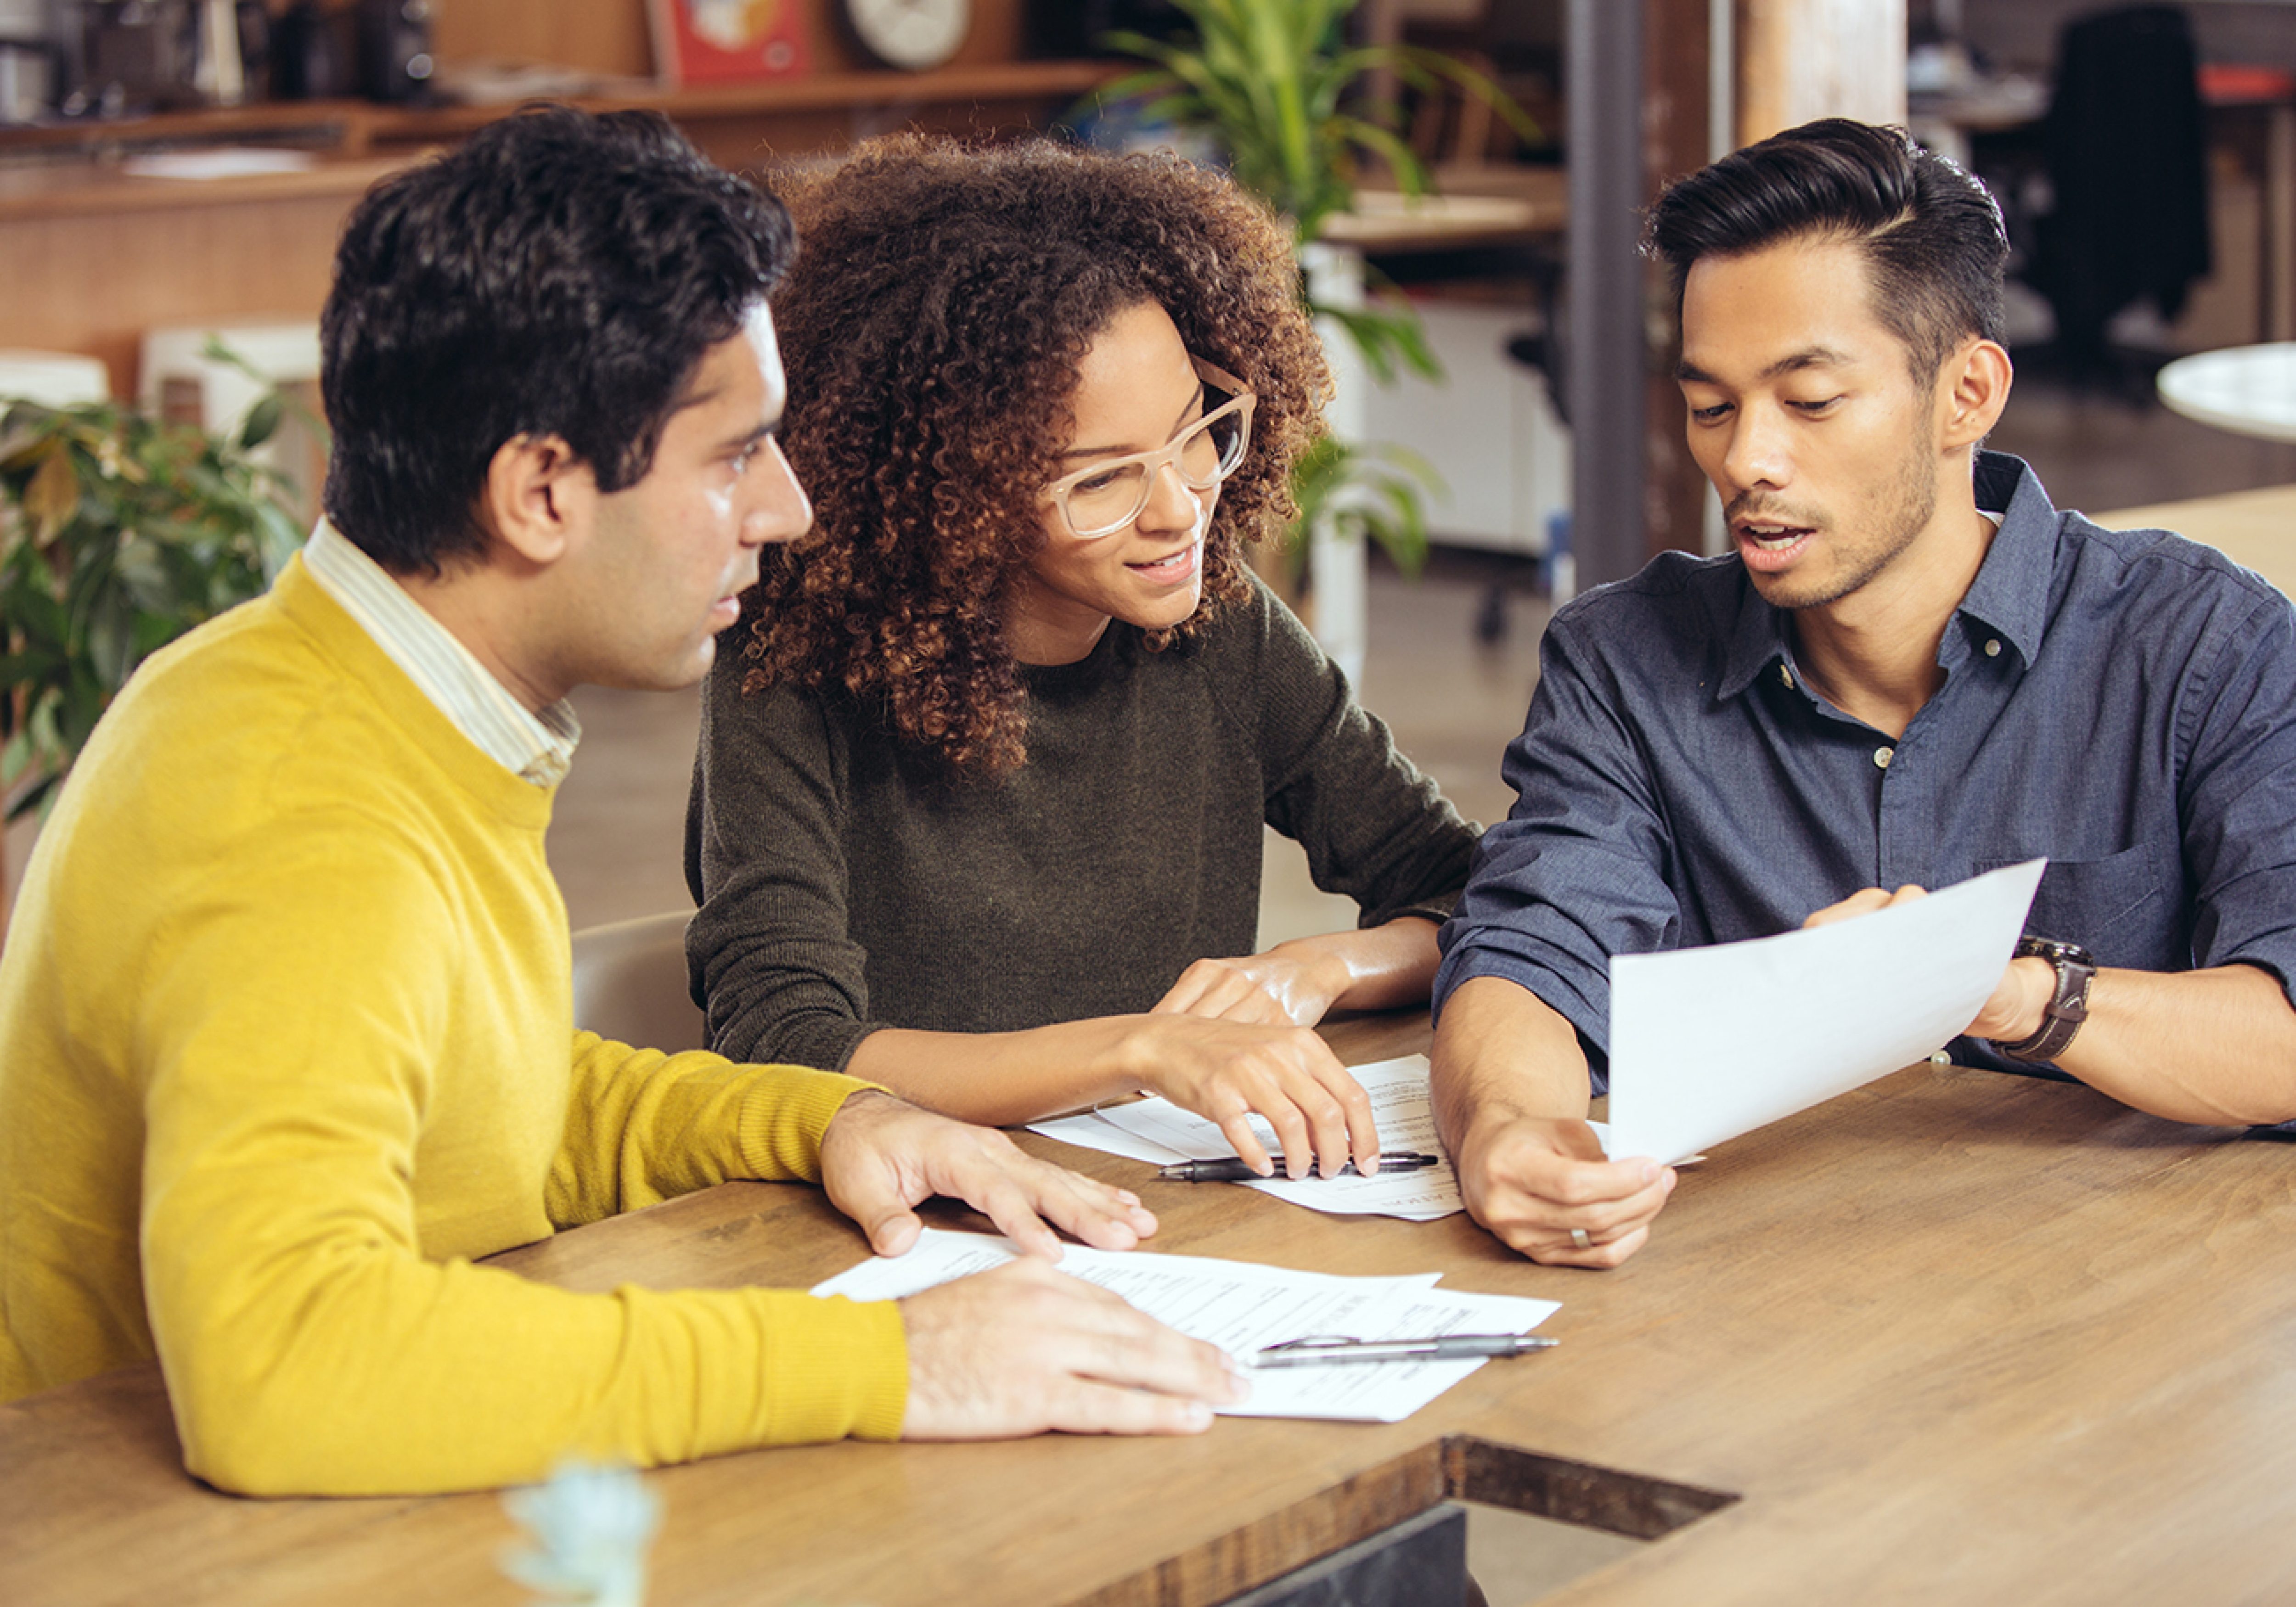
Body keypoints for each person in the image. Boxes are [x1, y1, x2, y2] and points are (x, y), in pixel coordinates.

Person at [0, 107, 1245, 1497]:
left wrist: (828, 1117)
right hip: (176, 1545)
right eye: (732, 456)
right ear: (541, 490)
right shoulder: (298, 811)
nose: (790, 509)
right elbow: (285, 1364)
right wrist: (895, 1365)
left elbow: (481, 1088)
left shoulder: (361, 699)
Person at [1430, 118, 2296, 1268]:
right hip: (1777, 1306)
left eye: (1811, 400)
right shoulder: (1624, 658)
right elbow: (1534, 950)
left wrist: (2003, 990)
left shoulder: (2205, 645)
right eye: (1711, 405)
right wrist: (1507, 1131)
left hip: (2125, 1311)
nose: (1748, 461)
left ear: (1966, 393)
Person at [685, 135, 1478, 1180]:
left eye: (1196, 432)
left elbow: (1470, 889)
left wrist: (1317, 966)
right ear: (953, 499)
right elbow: (783, 1046)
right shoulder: (797, 658)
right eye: (1099, 481)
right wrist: (1142, 1050)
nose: (1180, 508)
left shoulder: (1218, 626)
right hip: (909, 1216)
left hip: (1155, 1199)